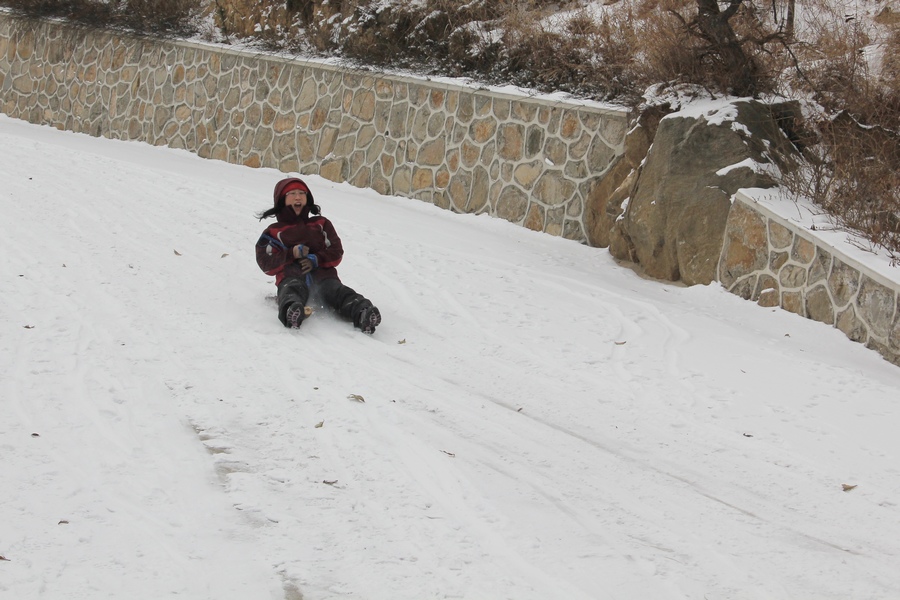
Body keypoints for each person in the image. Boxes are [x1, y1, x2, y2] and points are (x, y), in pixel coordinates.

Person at [255, 177, 382, 334]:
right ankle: (292, 312)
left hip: (324, 278)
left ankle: (363, 313)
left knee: (338, 292)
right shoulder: (274, 231)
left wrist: (317, 259)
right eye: (292, 193)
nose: (298, 197)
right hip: (291, 276)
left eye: (302, 193)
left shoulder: (321, 224)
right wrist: (291, 253)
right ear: (281, 199)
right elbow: (265, 263)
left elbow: (336, 251)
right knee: (290, 290)